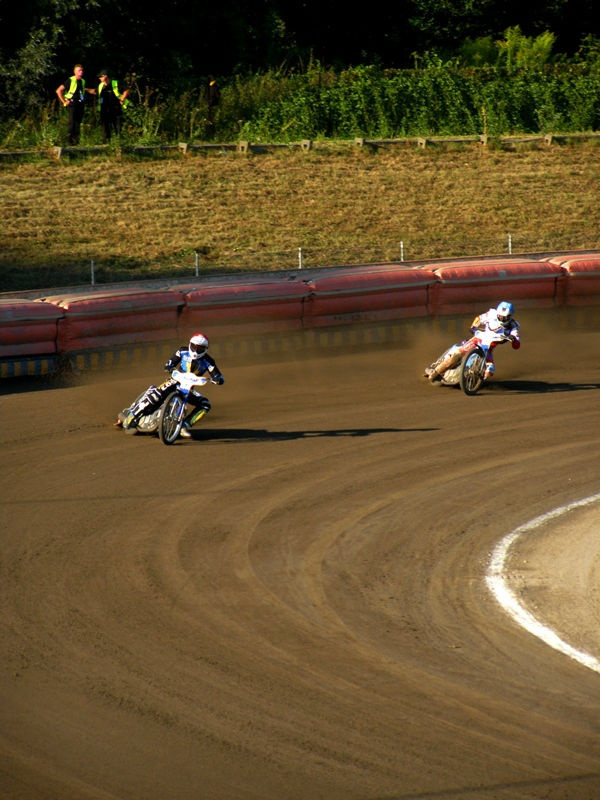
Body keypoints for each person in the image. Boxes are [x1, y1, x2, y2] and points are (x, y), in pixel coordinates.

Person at [116, 333, 225, 438]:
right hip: (175, 381)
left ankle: (184, 425)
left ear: (205, 349)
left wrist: (216, 379)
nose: (196, 351)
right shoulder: (182, 351)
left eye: (200, 348)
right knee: (156, 394)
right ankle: (132, 415)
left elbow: (219, 376)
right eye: (194, 346)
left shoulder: (208, 361)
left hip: (188, 388)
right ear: (190, 344)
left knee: (205, 404)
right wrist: (169, 367)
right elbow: (169, 364)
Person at [427, 301, 520, 382]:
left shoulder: (513, 326)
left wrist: (513, 339)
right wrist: (473, 326)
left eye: (504, 317)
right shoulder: (491, 314)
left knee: (490, 369)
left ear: (509, 316)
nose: (501, 318)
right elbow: (479, 318)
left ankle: (477, 380)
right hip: (478, 340)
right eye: (500, 316)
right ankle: (435, 372)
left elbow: (517, 345)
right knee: (457, 355)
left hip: (488, 349)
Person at [56, 64, 95, 145]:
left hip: (80, 103)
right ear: (74, 72)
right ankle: (69, 141)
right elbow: (59, 90)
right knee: (72, 122)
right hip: (72, 103)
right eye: (79, 71)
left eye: (82, 70)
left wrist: (89, 90)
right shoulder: (70, 80)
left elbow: (80, 89)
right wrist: (64, 101)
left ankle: (76, 141)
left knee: (78, 123)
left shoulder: (82, 81)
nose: (81, 72)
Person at [96, 68, 130, 142]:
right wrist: (85, 89)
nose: (99, 78)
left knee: (117, 126)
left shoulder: (115, 83)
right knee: (105, 127)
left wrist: (122, 99)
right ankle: (106, 142)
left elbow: (126, 90)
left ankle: (119, 142)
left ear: (105, 76)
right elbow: (95, 92)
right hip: (104, 109)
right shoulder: (100, 86)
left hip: (115, 108)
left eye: (101, 76)